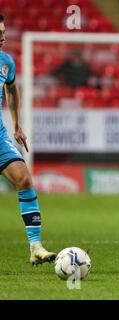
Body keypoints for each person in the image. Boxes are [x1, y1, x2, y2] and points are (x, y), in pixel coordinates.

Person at [0, 15, 56, 264]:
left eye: (3, 31)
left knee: (23, 178)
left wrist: (17, 124)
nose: (2, 37)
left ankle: (35, 247)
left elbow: (11, 88)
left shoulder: (5, 62)